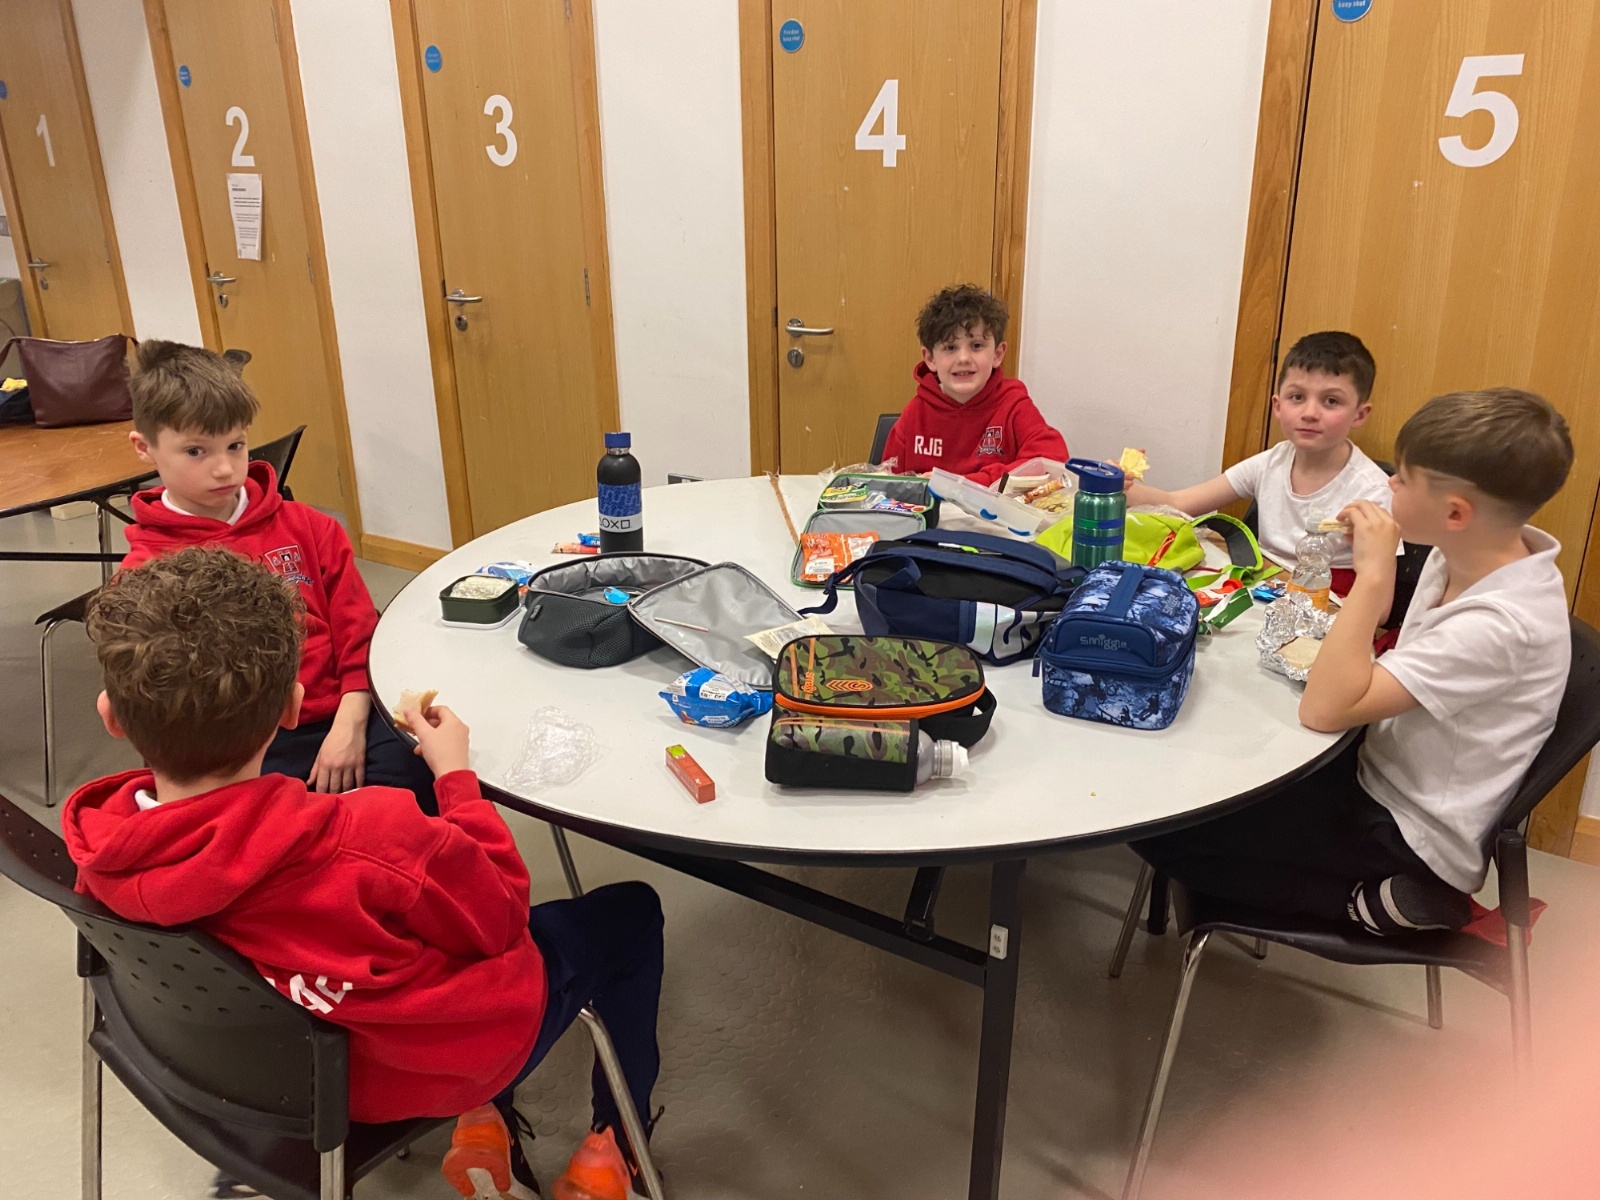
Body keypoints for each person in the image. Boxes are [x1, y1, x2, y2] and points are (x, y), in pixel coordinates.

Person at [62, 547, 665, 1200]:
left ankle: (485, 1121)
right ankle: (613, 1149)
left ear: (111, 716)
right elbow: (499, 917)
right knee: (630, 914)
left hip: (268, 1076)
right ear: (293, 707)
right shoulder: (368, 835)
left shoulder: (101, 851)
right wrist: (455, 779)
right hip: (412, 1069)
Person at [1134, 388, 1573, 935]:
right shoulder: (1466, 552)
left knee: (1161, 827)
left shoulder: (1501, 624)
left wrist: (1372, 573)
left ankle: (1388, 901)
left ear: (1455, 513)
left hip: (1408, 833)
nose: (1389, 485)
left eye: (1403, 479)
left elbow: (1323, 711)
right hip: (1376, 766)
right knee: (1199, 777)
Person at [117, 340, 436, 813]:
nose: (224, 468)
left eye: (235, 445)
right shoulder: (146, 573)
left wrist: (349, 722)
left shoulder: (311, 527)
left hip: (350, 710)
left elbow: (358, 634)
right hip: (245, 745)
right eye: (195, 451)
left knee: (418, 791)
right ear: (145, 448)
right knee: (281, 831)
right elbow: (177, 709)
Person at [1128, 331, 1391, 589]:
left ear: (1359, 414)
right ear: (1278, 405)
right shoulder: (1270, 462)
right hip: (1265, 589)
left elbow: (1378, 599)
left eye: (1331, 401)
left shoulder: (1373, 491)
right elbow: (1178, 504)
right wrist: (1117, 486)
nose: (1310, 413)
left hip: (1327, 603)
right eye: (1297, 397)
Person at [880, 283, 1067, 484]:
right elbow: (888, 484)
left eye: (976, 346)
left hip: (993, 505)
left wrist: (964, 484)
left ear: (997, 354)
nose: (963, 358)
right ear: (930, 359)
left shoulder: (1014, 406)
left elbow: (1051, 462)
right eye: (950, 347)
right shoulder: (914, 415)